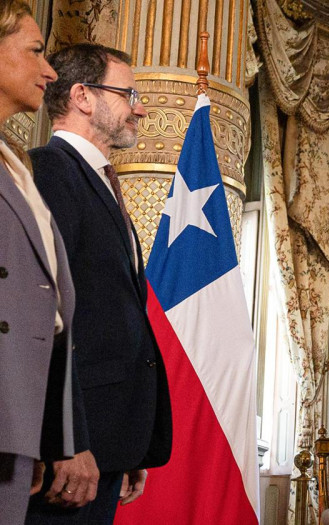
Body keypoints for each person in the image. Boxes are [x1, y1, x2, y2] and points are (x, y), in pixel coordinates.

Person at [27, 44, 171, 524]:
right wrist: (65, 441)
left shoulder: (102, 181)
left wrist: (124, 445)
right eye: (128, 92)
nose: (141, 107)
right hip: (69, 455)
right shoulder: (50, 171)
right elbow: (44, 318)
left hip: (105, 445)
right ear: (83, 96)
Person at [0, 2, 86, 520]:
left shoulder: (16, 162)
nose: (49, 71)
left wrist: (38, 431)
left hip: (18, 417)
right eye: (35, 51)